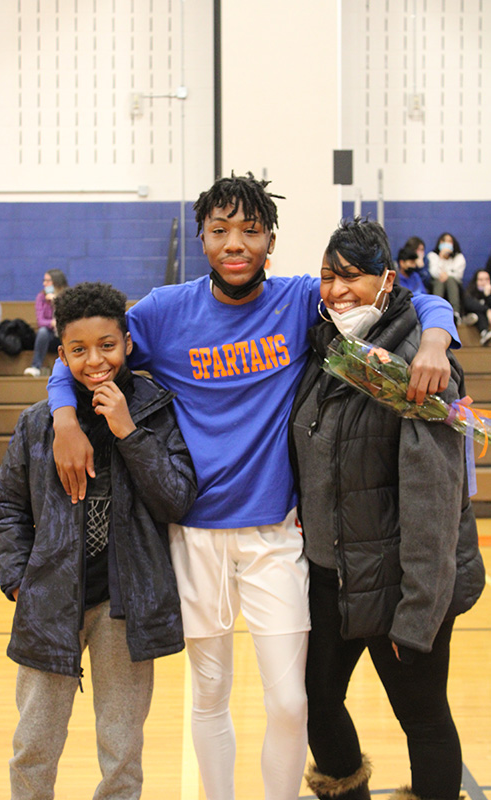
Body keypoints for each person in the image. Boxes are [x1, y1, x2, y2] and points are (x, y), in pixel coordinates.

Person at [47, 174, 458, 800]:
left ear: (271, 239)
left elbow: (411, 301)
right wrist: (63, 417)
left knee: (292, 701)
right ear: (202, 239)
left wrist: (435, 339)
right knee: (209, 694)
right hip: (194, 533)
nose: (234, 243)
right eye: (219, 231)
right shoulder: (163, 310)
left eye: (250, 231)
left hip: (275, 532)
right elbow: (79, 346)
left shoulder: (301, 299)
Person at [289, 217, 485, 800]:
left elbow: (436, 502)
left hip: (404, 583)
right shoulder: (326, 344)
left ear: (386, 280)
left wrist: (419, 611)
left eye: (352, 277)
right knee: (314, 700)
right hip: (335, 575)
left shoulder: (421, 368)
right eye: (328, 277)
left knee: (423, 719)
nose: (337, 290)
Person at [0, 282, 197, 800]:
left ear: (127, 343)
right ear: (61, 355)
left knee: (122, 750)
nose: (95, 360)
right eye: (78, 350)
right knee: (33, 745)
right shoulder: (40, 423)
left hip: (125, 606)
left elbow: (176, 499)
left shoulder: (155, 410)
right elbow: (8, 507)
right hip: (50, 602)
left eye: (107, 345)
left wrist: (128, 432)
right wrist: (19, 580)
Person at [24, 268, 68, 377]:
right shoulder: (41, 297)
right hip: (50, 337)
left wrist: (56, 302)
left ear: (57, 281)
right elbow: (40, 321)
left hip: (64, 335)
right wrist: (52, 323)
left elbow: (69, 318)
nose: (45, 283)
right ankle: (35, 367)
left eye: (48, 281)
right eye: (44, 280)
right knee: (42, 332)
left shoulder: (67, 296)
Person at [427, 232, 468, 324]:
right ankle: (436, 311)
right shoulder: (432, 256)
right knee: (439, 281)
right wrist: (441, 258)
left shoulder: (459, 257)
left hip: (454, 285)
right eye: (444, 241)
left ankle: (455, 313)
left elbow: (458, 275)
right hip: (437, 283)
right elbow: (434, 273)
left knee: (450, 279)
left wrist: (447, 274)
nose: (446, 243)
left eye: (449, 241)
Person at [464, 269, 491, 345]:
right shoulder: (470, 292)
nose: (484, 282)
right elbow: (469, 304)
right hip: (471, 315)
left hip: (486, 319)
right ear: (476, 281)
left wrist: (488, 296)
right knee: (478, 313)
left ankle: (484, 333)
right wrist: (487, 310)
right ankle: (484, 333)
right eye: (481, 280)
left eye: (487, 279)